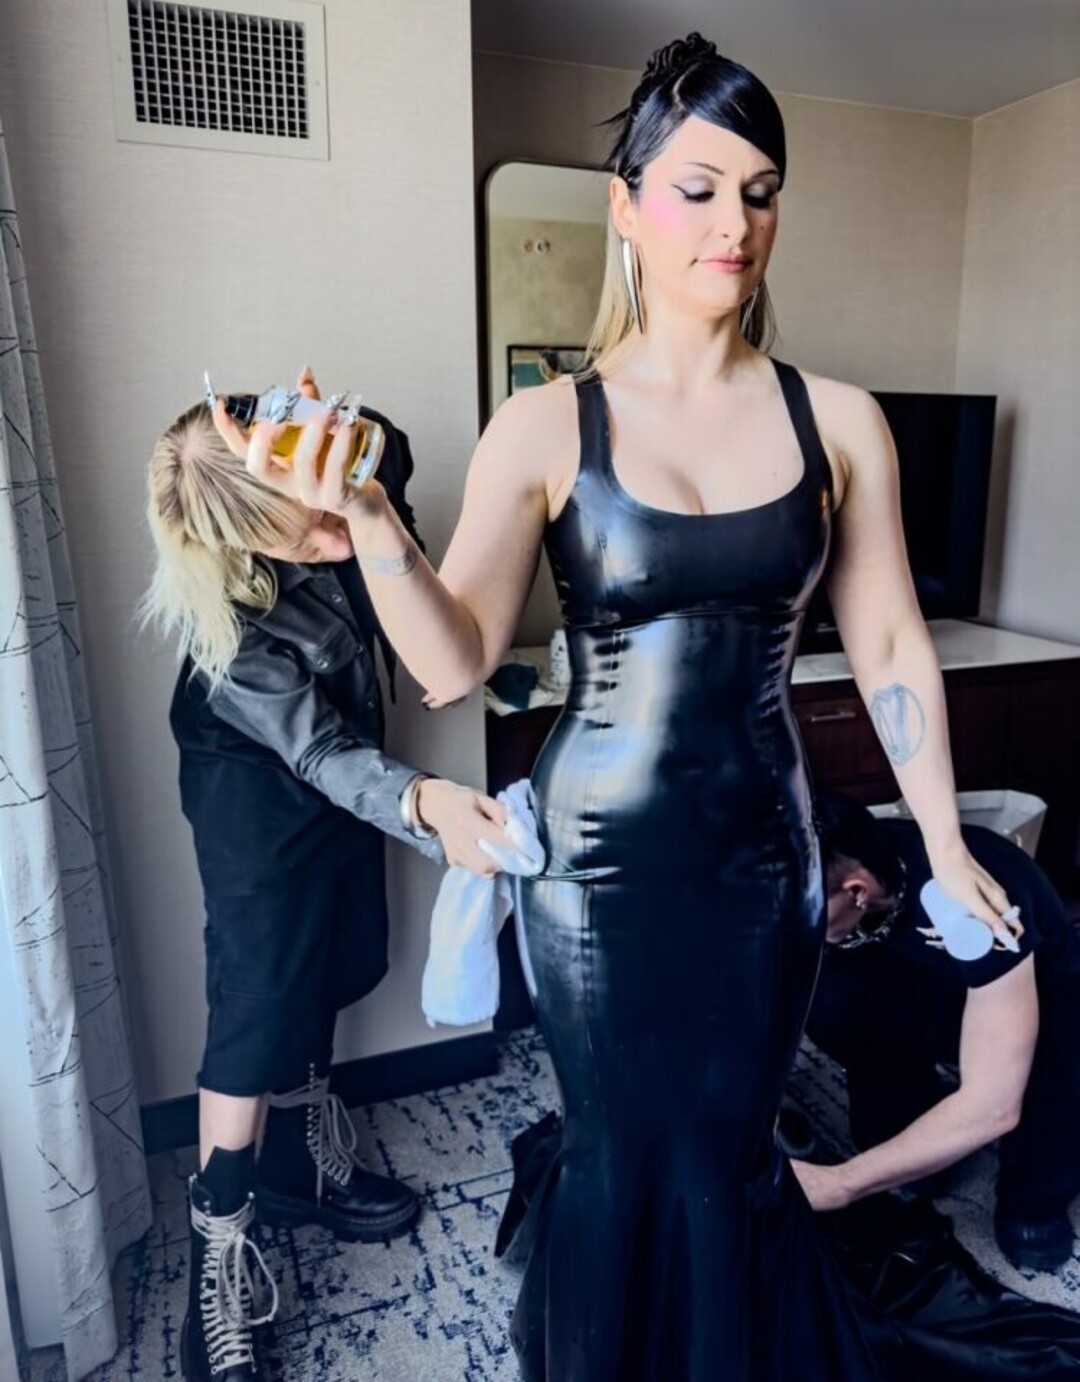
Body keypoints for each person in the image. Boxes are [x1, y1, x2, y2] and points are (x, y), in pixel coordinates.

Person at [217, 34, 1023, 1381]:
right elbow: (455, 660)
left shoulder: (840, 421)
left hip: (763, 860)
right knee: (622, 1144)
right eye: (698, 190)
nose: (734, 223)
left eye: (760, 192)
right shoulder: (546, 425)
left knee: (733, 1145)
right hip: (594, 869)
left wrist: (941, 843)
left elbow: (889, 641)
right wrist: (370, 522)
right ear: (628, 206)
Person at [142, 380, 507, 1382]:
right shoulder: (222, 627)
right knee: (259, 991)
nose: (324, 535)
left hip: (349, 763)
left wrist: (332, 439)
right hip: (254, 792)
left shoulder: (359, 460)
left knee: (342, 950)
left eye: (311, 504)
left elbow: (387, 491)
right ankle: (218, 1249)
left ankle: (302, 1163)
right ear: (239, 547)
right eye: (291, 538)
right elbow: (317, 751)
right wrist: (424, 802)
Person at [792, 788, 1080, 1273]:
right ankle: (915, 1106)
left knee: (1049, 1101)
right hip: (922, 987)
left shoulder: (973, 908)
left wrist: (841, 1183)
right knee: (831, 1004)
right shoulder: (829, 881)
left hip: (1040, 1000)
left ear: (857, 891)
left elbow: (993, 1106)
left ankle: (1034, 1198)